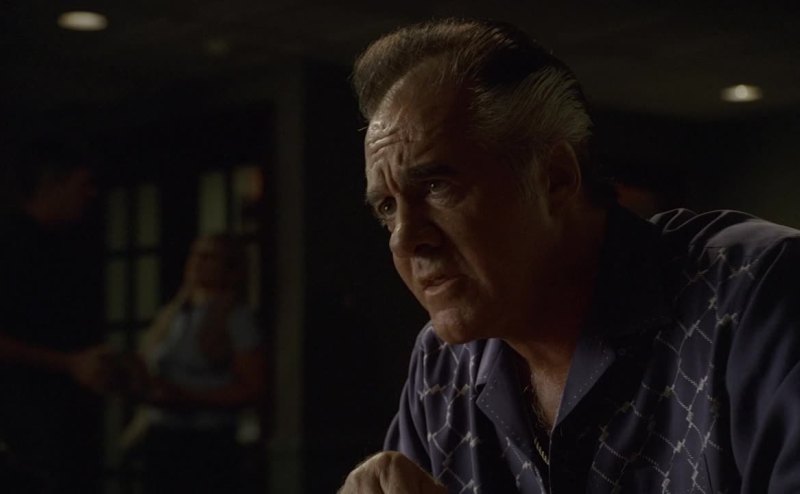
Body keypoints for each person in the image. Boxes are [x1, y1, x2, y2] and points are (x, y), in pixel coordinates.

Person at [340, 18, 800, 493]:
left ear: (554, 177)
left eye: (437, 186)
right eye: (387, 208)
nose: (404, 239)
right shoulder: (441, 364)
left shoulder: (755, 296)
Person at [0, 141, 112, 492]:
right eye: (83, 183)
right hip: (24, 427)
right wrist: (69, 364)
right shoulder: (12, 245)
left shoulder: (62, 247)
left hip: (59, 425)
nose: (91, 194)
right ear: (53, 184)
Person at [122, 233, 266, 493]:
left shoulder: (236, 318)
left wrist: (187, 397)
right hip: (162, 436)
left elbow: (252, 387)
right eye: (195, 254)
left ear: (230, 268)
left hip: (206, 441)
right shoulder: (176, 314)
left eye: (209, 257)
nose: (197, 262)